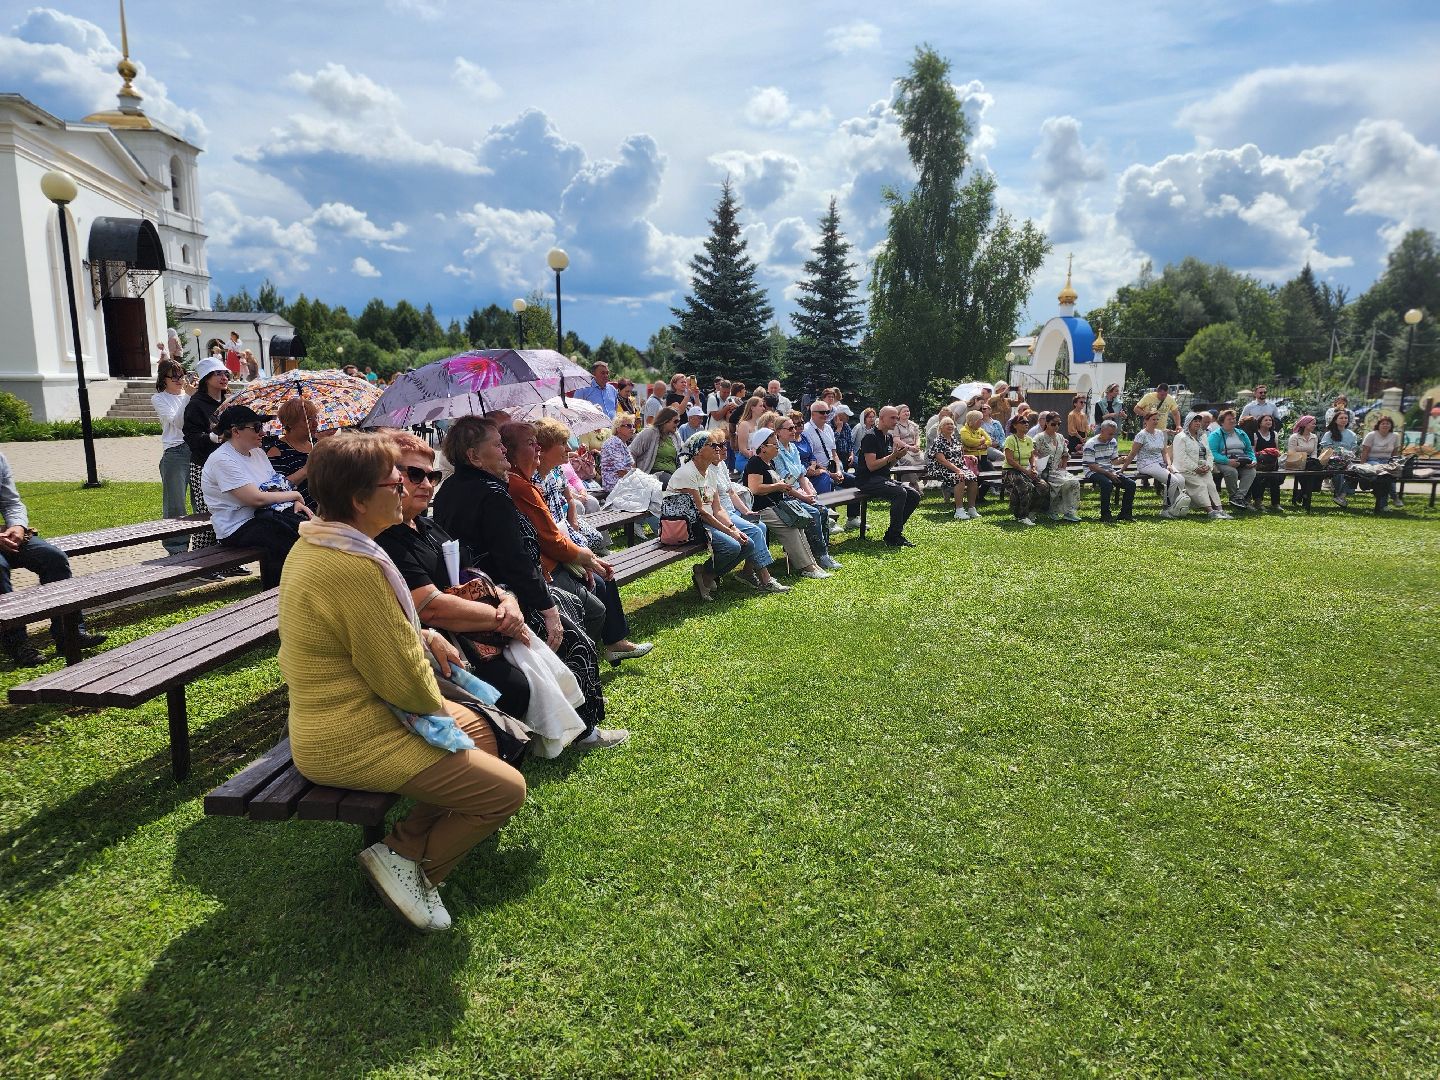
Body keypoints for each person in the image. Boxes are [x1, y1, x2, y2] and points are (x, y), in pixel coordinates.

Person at [280, 432, 525, 932]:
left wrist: (426, 635)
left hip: (344, 717)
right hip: (347, 736)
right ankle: (417, 871)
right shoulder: (352, 567)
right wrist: (432, 669)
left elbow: (383, 637)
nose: (408, 489)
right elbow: (404, 685)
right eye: (396, 481)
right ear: (359, 499)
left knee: (482, 730)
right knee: (506, 792)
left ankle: (402, 847)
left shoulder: (322, 544)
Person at [433, 416, 624, 747]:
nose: (504, 449)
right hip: (509, 597)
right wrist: (546, 608)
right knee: (577, 644)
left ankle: (561, 717)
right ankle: (585, 730)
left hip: (480, 593)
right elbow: (517, 560)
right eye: (496, 444)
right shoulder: (492, 494)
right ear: (474, 456)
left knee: (579, 616)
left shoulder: (450, 489)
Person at [375, 432, 535, 721]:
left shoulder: (428, 527)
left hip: (476, 627)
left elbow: (474, 574)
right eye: (414, 474)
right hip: (442, 638)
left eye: (432, 475)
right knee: (514, 687)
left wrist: (508, 600)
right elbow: (431, 608)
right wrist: (504, 619)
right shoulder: (385, 536)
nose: (426, 484)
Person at [501, 421, 652, 666]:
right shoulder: (520, 485)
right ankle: (577, 664)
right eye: (532, 444)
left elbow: (564, 508)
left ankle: (610, 645)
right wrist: (586, 559)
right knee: (595, 594)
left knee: (601, 577)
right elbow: (549, 539)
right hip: (547, 561)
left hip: (559, 542)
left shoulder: (536, 479)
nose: (566, 448)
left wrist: (583, 552)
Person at [0, 453, 107, 666]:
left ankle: (69, 633)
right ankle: (17, 643)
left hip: (5, 536)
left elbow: (12, 503)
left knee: (54, 558)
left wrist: (18, 526)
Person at [201, 404, 312, 586]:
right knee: (286, 541)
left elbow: (275, 486)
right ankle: (276, 598)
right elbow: (255, 498)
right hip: (237, 526)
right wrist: (294, 495)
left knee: (310, 530)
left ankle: (296, 592)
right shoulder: (222, 459)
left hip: (267, 516)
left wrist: (294, 502)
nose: (263, 432)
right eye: (257, 427)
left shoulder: (258, 453)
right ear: (236, 431)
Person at [672, 430, 788, 598]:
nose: (719, 449)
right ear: (698, 450)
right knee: (737, 543)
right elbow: (702, 513)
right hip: (690, 526)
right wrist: (731, 531)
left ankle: (706, 574)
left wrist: (733, 527)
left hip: (709, 520)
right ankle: (761, 578)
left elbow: (718, 509)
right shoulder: (687, 474)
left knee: (748, 541)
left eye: (721, 445)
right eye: (713, 445)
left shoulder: (709, 473)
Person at [182, 357, 249, 576]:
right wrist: (212, 437)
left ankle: (228, 561)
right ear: (206, 379)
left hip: (228, 465)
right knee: (206, 514)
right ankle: (201, 565)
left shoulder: (228, 402)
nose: (224, 377)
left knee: (231, 513)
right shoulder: (195, 405)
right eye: (218, 374)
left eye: (226, 374)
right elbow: (192, 439)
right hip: (204, 467)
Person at [744, 428, 827, 577]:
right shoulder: (755, 462)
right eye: (774, 445)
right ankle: (806, 568)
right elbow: (755, 488)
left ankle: (812, 564)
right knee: (790, 529)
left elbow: (782, 485)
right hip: (761, 509)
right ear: (762, 448)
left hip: (776, 506)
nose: (777, 448)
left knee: (798, 525)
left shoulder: (770, 463)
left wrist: (798, 493)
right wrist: (778, 486)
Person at [769, 413, 841, 570]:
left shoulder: (793, 447)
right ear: (778, 432)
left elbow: (801, 475)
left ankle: (823, 553)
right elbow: (785, 481)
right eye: (790, 428)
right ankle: (820, 555)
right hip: (785, 495)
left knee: (822, 510)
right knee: (813, 513)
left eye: (794, 427)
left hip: (800, 491)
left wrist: (810, 495)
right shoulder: (776, 452)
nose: (794, 430)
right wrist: (804, 496)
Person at [855, 405, 922, 547]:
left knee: (914, 495)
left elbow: (887, 466)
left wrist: (896, 457)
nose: (896, 421)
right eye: (892, 418)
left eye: (897, 418)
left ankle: (892, 534)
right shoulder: (870, 437)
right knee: (900, 492)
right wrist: (892, 456)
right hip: (867, 481)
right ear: (881, 419)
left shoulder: (889, 437)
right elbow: (871, 466)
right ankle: (895, 536)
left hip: (881, 479)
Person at [151, 359, 194, 555]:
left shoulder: (191, 395)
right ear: (164, 379)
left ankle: (207, 545)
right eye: (174, 376)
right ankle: (176, 549)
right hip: (175, 452)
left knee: (202, 501)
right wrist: (189, 398)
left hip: (197, 450)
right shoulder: (159, 398)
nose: (179, 380)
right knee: (175, 504)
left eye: (181, 375)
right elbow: (177, 423)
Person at [263, 397, 320, 512]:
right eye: (308, 419)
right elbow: (276, 489)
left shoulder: (317, 445)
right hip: (302, 513)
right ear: (290, 423)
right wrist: (305, 470)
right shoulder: (276, 451)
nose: (315, 423)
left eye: (316, 417)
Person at [1172, 413, 1231, 519]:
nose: (1198, 423)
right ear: (1189, 423)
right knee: (1201, 486)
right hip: (1186, 470)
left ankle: (1220, 510)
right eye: (1195, 421)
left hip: (1203, 469)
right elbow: (1181, 457)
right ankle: (1210, 511)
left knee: (1211, 486)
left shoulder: (1203, 436)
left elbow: (1209, 454)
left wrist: (1208, 466)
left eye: (1199, 421)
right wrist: (1195, 468)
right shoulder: (1181, 437)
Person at [1130, 411, 1186, 517]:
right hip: (1146, 464)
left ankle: (1175, 507)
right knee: (1173, 481)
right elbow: (1132, 453)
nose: (1155, 421)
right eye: (1153, 419)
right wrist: (1123, 469)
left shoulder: (1160, 433)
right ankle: (1166, 509)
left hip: (1160, 463)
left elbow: (1164, 452)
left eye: (1157, 419)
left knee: (1181, 480)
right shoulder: (1141, 435)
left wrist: (1169, 465)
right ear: (1146, 421)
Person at [1032, 411, 1082, 522]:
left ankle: (1070, 512)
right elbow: (1032, 453)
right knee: (1063, 483)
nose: (1056, 426)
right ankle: (1052, 510)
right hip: (1044, 471)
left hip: (1057, 470)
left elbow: (1065, 454)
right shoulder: (1039, 437)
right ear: (1047, 423)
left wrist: (1063, 469)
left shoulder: (1060, 437)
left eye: (1059, 424)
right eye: (1053, 424)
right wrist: (1038, 461)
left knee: (1074, 482)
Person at [926, 413, 978, 519]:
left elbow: (957, 454)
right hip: (941, 468)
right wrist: (958, 470)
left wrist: (969, 456)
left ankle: (971, 508)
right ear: (941, 428)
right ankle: (959, 511)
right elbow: (942, 460)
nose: (950, 426)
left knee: (973, 478)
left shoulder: (954, 439)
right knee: (960, 478)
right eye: (947, 424)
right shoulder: (938, 441)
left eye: (951, 424)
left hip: (957, 467)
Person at [1082, 420, 1135, 522]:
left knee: (1131, 484)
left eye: (1113, 434)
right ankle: (1105, 514)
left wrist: (1121, 460)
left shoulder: (1113, 441)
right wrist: (1109, 474)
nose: (1112, 436)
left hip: (1109, 470)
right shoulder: (1090, 444)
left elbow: (1114, 461)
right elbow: (1092, 466)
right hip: (1092, 471)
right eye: (1110, 434)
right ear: (1102, 431)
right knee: (1107, 484)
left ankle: (1125, 513)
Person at [1001, 414, 1048, 526]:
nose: (1026, 424)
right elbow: (1010, 460)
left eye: (1027, 422)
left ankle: (1031, 512)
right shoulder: (1010, 439)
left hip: (1025, 470)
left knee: (1043, 486)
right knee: (1027, 486)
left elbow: (1032, 457)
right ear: (1015, 425)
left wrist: (1033, 468)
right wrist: (1026, 471)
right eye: (1023, 422)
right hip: (1010, 471)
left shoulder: (1029, 440)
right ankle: (1022, 516)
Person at [1206, 409, 1258, 511]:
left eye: (1234, 419)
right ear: (1222, 422)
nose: (1232, 421)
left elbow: (1249, 450)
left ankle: (1238, 498)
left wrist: (1252, 460)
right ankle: (1234, 497)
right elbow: (1212, 453)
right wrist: (1227, 461)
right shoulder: (1216, 435)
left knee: (1251, 472)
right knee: (1231, 471)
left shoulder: (1241, 433)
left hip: (1242, 460)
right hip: (1222, 461)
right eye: (1229, 419)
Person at [629, 406, 682, 486]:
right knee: (674, 484)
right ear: (665, 421)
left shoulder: (675, 436)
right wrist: (634, 474)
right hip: (653, 474)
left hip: (673, 475)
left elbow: (683, 453)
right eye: (675, 421)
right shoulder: (650, 433)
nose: (677, 424)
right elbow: (631, 452)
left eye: (679, 421)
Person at [1359, 415, 1402, 513]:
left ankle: (1385, 504)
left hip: (1387, 461)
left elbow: (1395, 452)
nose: (1385, 425)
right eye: (1383, 423)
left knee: (1389, 475)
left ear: (1391, 426)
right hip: (1372, 460)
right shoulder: (1371, 435)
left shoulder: (1395, 436)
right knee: (1385, 473)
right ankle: (1394, 497)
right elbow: (1365, 451)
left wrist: (1394, 464)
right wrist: (1362, 465)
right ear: (1378, 425)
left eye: (1388, 423)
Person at [802, 399, 844, 493]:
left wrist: (838, 471)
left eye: (827, 412)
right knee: (830, 482)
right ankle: (827, 507)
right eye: (822, 412)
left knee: (855, 483)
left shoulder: (828, 428)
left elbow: (834, 453)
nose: (825, 415)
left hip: (832, 469)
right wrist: (830, 474)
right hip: (818, 473)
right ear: (812, 414)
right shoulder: (806, 431)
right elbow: (811, 459)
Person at [1320, 410, 1359, 508]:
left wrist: (1348, 454)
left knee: (1356, 471)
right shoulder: (1329, 434)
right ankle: (1340, 495)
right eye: (1341, 418)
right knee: (1339, 472)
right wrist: (1338, 452)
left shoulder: (1352, 434)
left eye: (1346, 418)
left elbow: (1354, 450)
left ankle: (1341, 496)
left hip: (1347, 460)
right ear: (1335, 420)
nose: (1344, 420)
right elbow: (1326, 449)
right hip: (1332, 461)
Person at [1248, 412, 1286, 512]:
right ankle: (1258, 502)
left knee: (1275, 479)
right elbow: (1253, 451)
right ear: (1260, 423)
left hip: (1272, 463)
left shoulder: (1274, 434)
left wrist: (1275, 453)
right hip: (1259, 463)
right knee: (1259, 479)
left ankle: (1276, 503)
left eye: (1270, 420)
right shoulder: (1255, 435)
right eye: (1266, 420)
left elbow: (1277, 449)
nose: (1268, 422)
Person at [1286, 414, 1323, 510]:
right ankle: (1305, 494)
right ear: (1305, 424)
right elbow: (1292, 452)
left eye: (1315, 424)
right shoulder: (1295, 437)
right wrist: (1303, 455)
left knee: (1316, 469)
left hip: (1309, 462)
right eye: (1312, 424)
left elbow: (1314, 452)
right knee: (1308, 473)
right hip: (1296, 461)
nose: (1314, 426)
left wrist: (1313, 460)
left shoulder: (1314, 437)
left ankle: (1303, 493)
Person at [599, 416, 637, 489]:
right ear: (618, 428)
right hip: (615, 486)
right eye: (629, 426)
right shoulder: (613, 443)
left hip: (624, 483)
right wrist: (638, 480)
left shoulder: (622, 443)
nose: (632, 429)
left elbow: (632, 466)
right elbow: (621, 471)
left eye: (633, 426)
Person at [734, 396, 766, 472]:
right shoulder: (744, 424)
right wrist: (756, 460)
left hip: (761, 458)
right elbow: (742, 449)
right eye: (760, 406)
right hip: (745, 460)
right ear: (752, 408)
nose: (763, 408)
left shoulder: (761, 424)